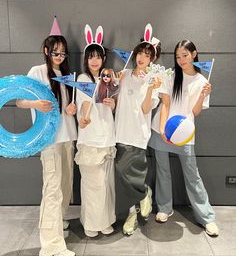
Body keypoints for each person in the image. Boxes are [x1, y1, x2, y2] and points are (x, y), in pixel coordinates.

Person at [16, 17, 77, 256]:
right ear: (46, 50)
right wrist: (35, 104)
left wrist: (72, 108)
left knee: (64, 185)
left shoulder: (66, 74)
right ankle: (50, 247)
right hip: (48, 140)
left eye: (62, 53)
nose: (59, 56)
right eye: (55, 52)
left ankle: (58, 224)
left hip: (67, 137)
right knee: (52, 189)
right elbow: (19, 101)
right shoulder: (36, 72)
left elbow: (68, 106)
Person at [149, 39, 219, 237]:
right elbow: (165, 104)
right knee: (162, 171)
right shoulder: (171, 76)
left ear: (194, 54)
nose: (181, 60)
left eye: (185, 55)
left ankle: (207, 217)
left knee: (192, 176)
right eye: (178, 56)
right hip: (161, 130)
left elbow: (195, 112)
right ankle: (164, 208)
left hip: (184, 134)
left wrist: (203, 94)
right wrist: (162, 129)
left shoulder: (202, 81)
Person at [115, 23, 165, 235]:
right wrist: (113, 83)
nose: (142, 58)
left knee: (131, 174)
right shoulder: (124, 74)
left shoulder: (154, 81)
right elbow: (113, 99)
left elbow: (146, 108)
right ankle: (139, 201)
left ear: (152, 59)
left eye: (147, 55)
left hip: (137, 133)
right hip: (119, 131)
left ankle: (139, 201)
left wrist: (151, 89)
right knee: (121, 175)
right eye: (140, 53)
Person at [74, 24, 116, 238]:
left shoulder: (109, 78)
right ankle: (91, 222)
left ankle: (105, 220)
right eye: (91, 57)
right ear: (86, 59)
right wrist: (85, 115)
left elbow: (113, 104)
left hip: (107, 137)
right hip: (90, 140)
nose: (94, 61)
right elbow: (83, 104)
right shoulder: (82, 79)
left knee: (106, 183)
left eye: (98, 56)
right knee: (92, 184)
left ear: (103, 59)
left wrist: (112, 104)